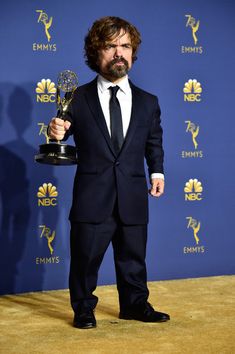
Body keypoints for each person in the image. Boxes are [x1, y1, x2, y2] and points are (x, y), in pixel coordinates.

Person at [48, 16, 170, 329]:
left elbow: (153, 142)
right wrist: (56, 132)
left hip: (132, 195)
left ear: (133, 52)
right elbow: (60, 134)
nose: (119, 53)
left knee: (133, 258)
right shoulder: (77, 98)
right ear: (95, 52)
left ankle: (135, 305)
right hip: (93, 196)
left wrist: (157, 173)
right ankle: (84, 309)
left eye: (126, 46)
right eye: (111, 46)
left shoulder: (148, 102)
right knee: (85, 259)